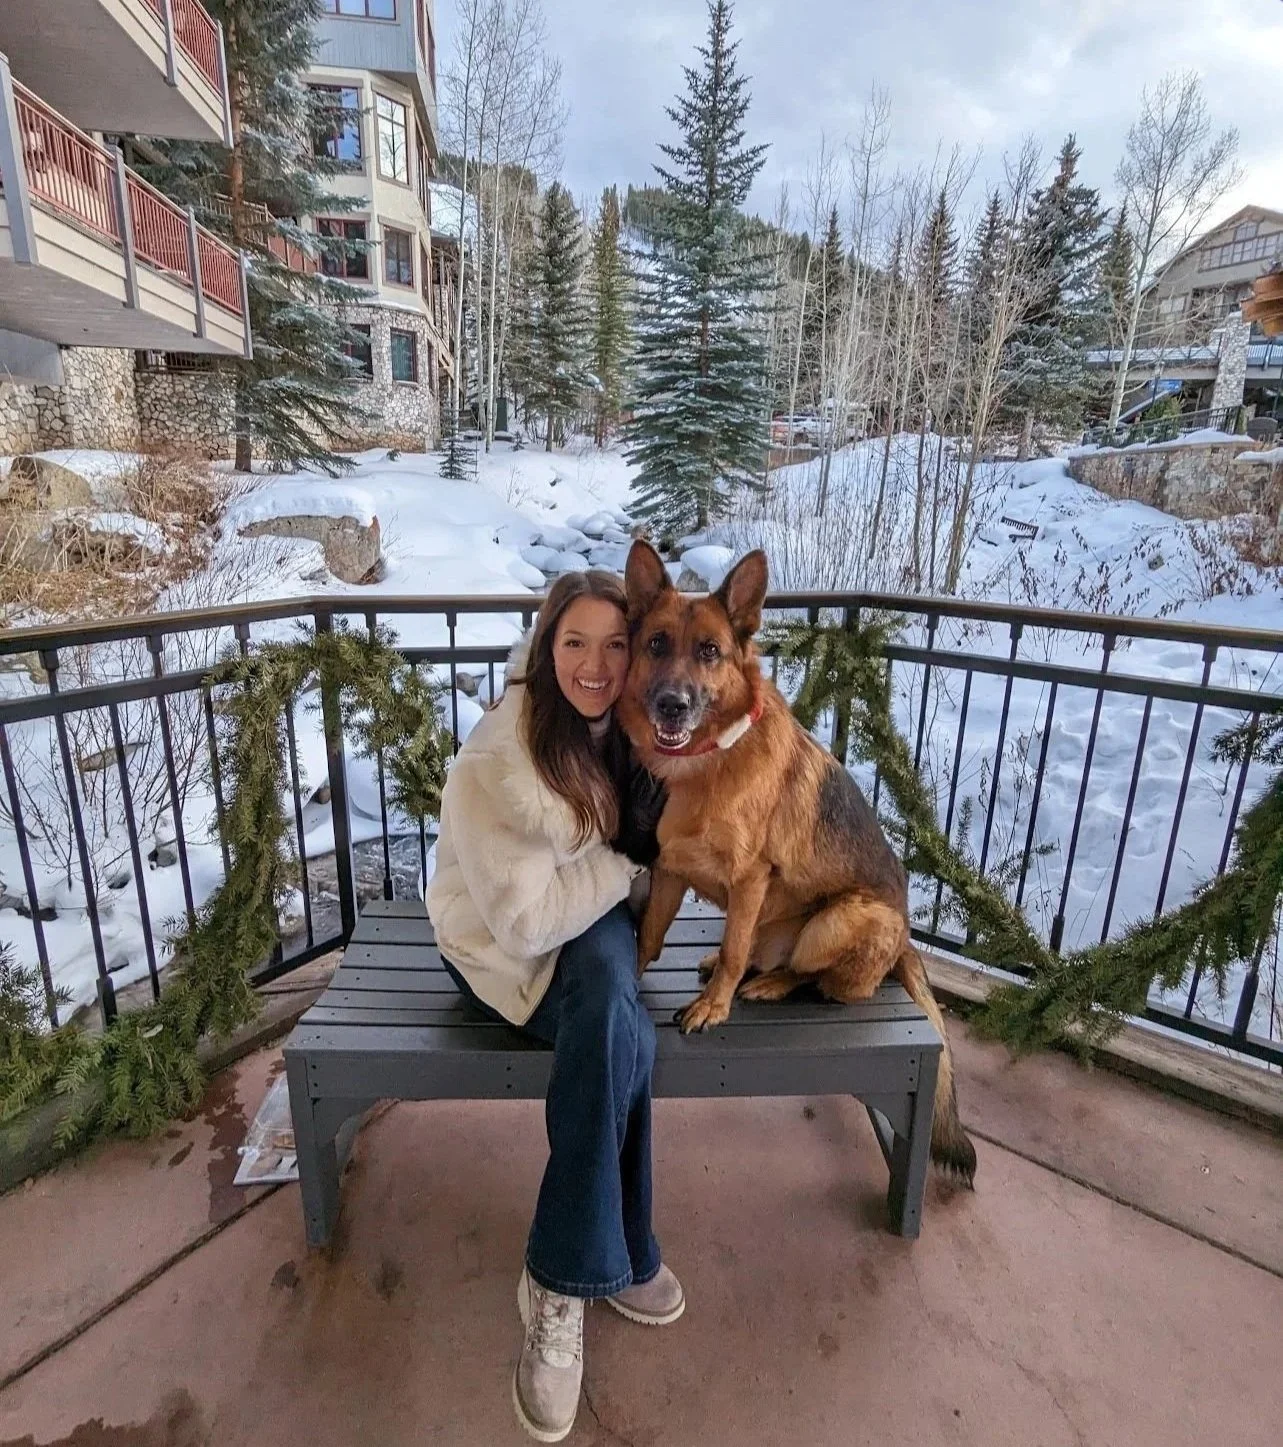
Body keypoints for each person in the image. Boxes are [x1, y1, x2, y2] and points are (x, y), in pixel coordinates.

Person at [427, 569, 680, 1444]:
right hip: (498, 947)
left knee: (614, 1012)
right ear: (545, 647)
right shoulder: (505, 758)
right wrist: (628, 860)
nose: (596, 663)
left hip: (589, 924)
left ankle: (571, 1266)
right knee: (617, 1027)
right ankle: (580, 1273)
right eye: (575, 642)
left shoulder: (629, 727)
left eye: (616, 643)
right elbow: (528, 923)